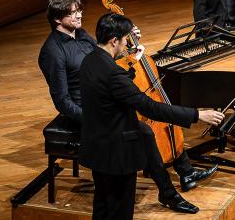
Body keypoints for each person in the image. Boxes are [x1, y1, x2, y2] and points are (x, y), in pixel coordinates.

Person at [37, 0, 218, 213]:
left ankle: (174, 182)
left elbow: (107, 58)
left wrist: (130, 50)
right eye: (73, 12)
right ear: (57, 19)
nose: (79, 15)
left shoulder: (82, 36)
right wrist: (94, 118)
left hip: (105, 102)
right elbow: (62, 100)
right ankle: (171, 188)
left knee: (143, 128)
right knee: (143, 128)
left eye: (79, 10)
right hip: (86, 113)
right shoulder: (53, 52)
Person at [80, 12, 225, 219]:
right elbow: (151, 108)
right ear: (114, 40)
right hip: (118, 155)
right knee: (120, 211)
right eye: (123, 40)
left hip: (98, 149)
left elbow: (111, 86)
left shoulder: (90, 60)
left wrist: (132, 64)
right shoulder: (113, 75)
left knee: (102, 207)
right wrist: (197, 114)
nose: (124, 45)